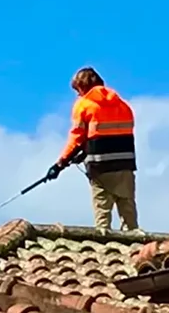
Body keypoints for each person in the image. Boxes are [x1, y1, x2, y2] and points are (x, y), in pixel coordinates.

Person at [50, 66, 138, 231]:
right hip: (125, 164)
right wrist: (85, 151)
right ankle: (135, 248)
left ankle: (106, 247)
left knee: (102, 212)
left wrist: (60, 164)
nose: (77, 94)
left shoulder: (84, 105)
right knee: (127, 207)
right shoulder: (123, 106)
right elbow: (113, 134)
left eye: (78, 89)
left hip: (100, 166)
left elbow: (77, 137)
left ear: (83, 86)